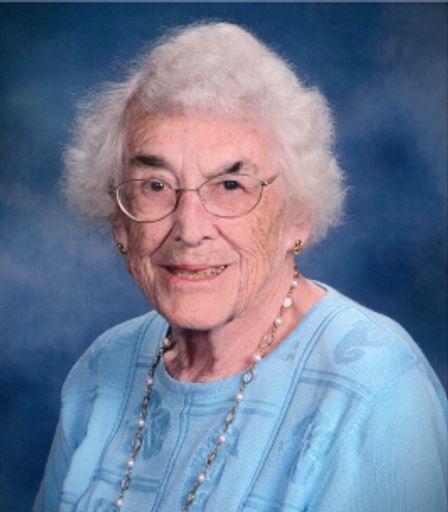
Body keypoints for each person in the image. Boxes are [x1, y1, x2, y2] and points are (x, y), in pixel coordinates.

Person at [33, 22, 447, 512]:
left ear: (298, 215)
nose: (190, 229)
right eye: (156, 186)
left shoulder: (377, 392)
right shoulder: (101, 370)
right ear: (120, 223)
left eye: (230, 186)